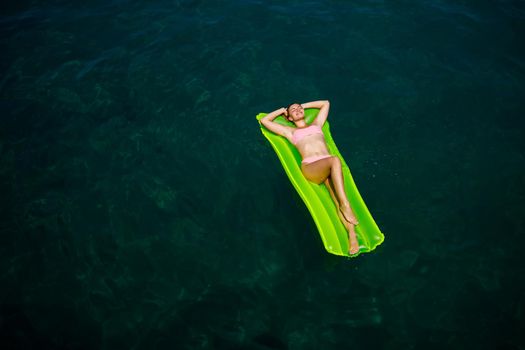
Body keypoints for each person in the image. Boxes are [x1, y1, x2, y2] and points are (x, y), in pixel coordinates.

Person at [260, 100, 360, 254]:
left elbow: (325, 103)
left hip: (327, 168)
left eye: (299, 107)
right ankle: (345, 205)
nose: (298, 109)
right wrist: (282, 110)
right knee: (335, 160)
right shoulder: (289, 131)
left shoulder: (316, 124)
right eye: (294, 109)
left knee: (336, 197)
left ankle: (352, 236)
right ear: (289, 118)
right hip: (311, 168)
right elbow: (264, 120)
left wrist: (302, 106)